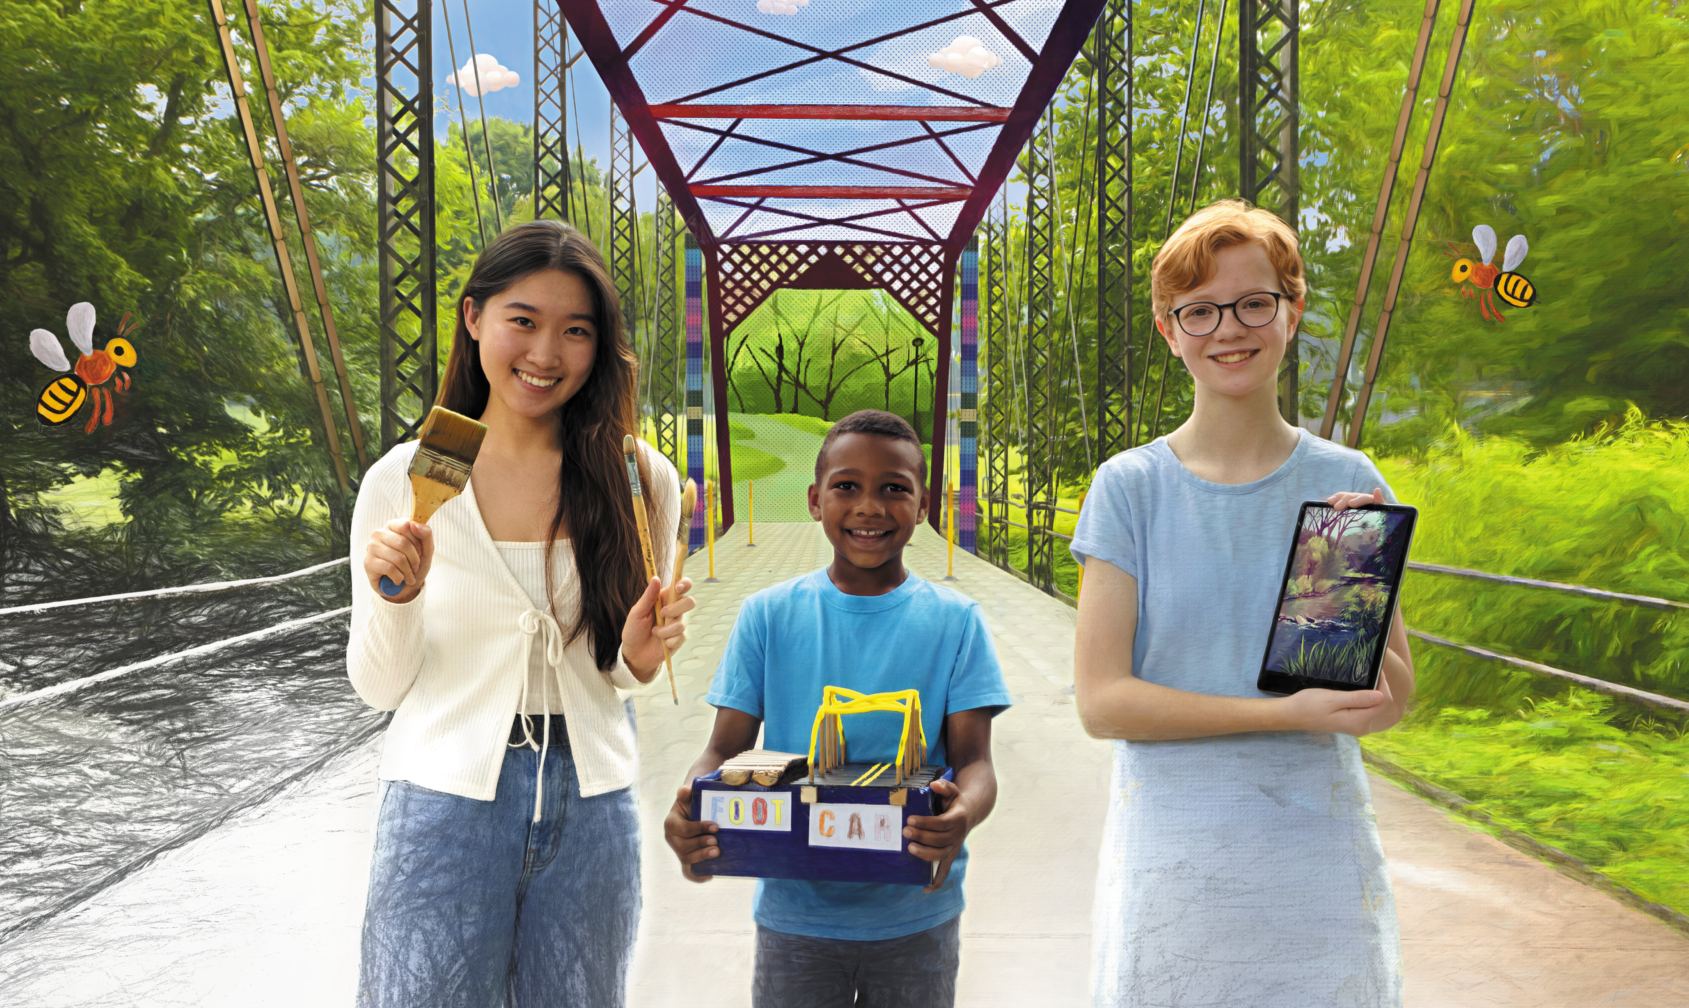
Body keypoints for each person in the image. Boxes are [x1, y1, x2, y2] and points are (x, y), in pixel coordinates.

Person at [346, 220, 696, 1008]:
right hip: (442, 799)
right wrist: (397, 597)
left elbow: (618, 671)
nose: (545, 355)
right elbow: (378, 686)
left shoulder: (641, 480)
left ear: (599, 346)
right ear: (473, 318)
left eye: (575, 331)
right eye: (523, 321)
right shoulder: (404, 478)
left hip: (593, 803)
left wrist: (638, 655)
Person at [1071, 200, 1411, 1007]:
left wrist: (1346, 585)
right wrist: (1280, 714)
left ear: (1289, 310)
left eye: (1253, 301)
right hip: (1173, 867)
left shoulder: (1348, 481)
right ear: (1168, 329)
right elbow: (1102, 702)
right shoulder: (1129, 487)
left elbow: (1390, 701)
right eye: (1199, 310)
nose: (1229, 328)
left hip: (1318, 864)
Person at [663, 410, 1013, 1008]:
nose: (869, 507)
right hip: (795, 913)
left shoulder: (956, 622)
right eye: (846, 486)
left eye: (894, 489)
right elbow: (725, 750)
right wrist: (697, 805)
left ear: (923, 506)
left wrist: (963, 816)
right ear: (814, 501)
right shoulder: (767, 616)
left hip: (916, 911)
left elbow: (974, 763)